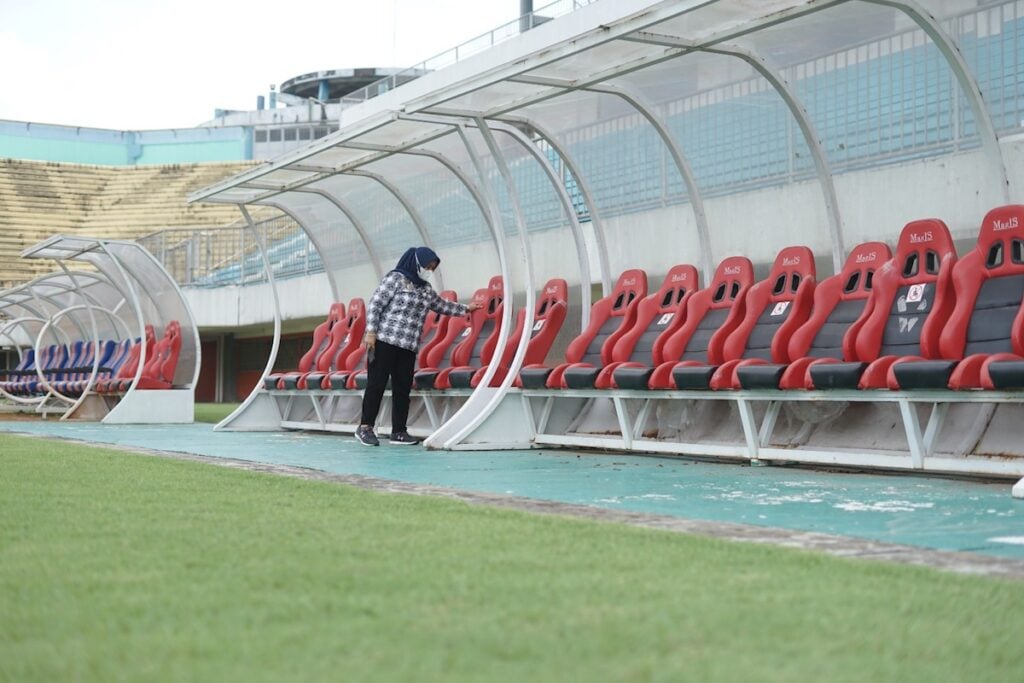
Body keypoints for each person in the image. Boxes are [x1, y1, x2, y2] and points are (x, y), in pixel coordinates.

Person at [356, 246, 482, 447]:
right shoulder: (395, 279)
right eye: (427, 266)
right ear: (416, 263)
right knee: (376, 384)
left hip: (408, 346)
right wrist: (371, 332)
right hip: (385, 341)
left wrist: (467, 309)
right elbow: (376, 304)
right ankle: (365, 427)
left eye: (432, 268)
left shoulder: (425, 289)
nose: (429, 270)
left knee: (402, 389)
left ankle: (398, 431)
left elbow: (442, 306)